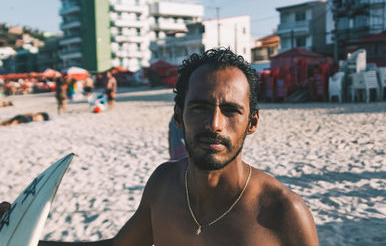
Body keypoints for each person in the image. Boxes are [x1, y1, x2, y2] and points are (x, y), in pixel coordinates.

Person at [0, 48, 318, 245]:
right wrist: (23, 235)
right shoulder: (164, 184)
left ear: (253, 122)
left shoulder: (284, 214)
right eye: (199, 108)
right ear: (178, 117)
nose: (215, 124)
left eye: (232, 111)